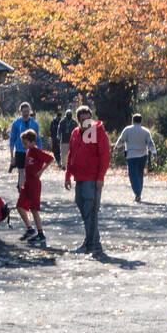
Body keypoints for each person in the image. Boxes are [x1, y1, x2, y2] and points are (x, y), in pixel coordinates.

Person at [64, 105, 110, 255]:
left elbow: (104, 155)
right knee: (82, 205)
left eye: (88, 119)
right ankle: (94, 240)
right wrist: (67, 175)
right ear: (78, 120)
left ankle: (91, 243)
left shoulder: (98, 131)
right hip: (80, 177)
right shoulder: (75, 133)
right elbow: (71, 154)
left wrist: (100, 177)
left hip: (92, 177)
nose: (86, 122)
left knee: (90, 209)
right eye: (83, 120)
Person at [15, 129, 54, 245]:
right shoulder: (28, 151)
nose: (24, 145)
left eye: (25, 143)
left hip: (34, 183)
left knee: (34, 209)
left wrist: (41, 171)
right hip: (27, 182)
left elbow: (50, 159)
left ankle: (40, 233)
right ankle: (30, 229)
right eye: (23, 143)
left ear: (32, 142)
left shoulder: (36, 151)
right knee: (19, 206)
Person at [113, 113, 156, 202]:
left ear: (132, 121)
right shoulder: (146, 131)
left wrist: (116, 147)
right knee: (140, 174)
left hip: (131, 155)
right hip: (143, 155)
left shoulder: (127, 130)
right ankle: (139, 192)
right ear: (141, 121)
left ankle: (137, 193)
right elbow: (150, 143)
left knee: (132, 175)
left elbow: (121, 140)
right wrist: (154, 153)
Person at [8, 102, 41, 192]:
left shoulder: (34, 123)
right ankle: (22, 193)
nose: (26, 113)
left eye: (27, 111)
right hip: (20, 151)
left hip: (32, 151)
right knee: (21, 171)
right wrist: (12, 157)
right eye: (24, 112)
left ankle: (26, 190)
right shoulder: (16, 123)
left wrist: (40, 153)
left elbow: (38, 139)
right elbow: (12, 139)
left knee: (29, 173)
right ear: (21, 112)